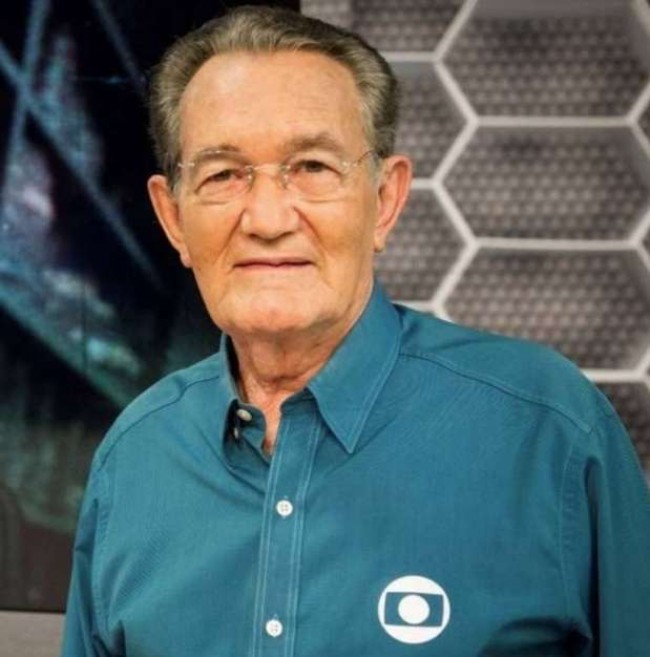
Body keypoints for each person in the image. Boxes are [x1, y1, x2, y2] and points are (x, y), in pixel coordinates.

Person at [60, 6, 650, 656]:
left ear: (386, 200)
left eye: (312, 167)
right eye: (223, 174)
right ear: (174, 218)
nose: (267, 219)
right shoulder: (134, 460)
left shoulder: (550, 435)